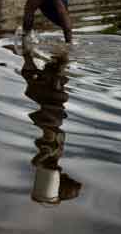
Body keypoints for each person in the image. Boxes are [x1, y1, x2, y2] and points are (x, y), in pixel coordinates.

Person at [21, 51, 82, 205]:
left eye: (66, 177)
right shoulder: (53, 159)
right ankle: (56, 55)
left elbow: (39, 157)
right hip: (52, 116)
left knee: (55, 78)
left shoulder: (47, 159)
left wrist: (46, 153)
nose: (65, 174)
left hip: (50, 117)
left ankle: (57, 54)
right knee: (55, 76)